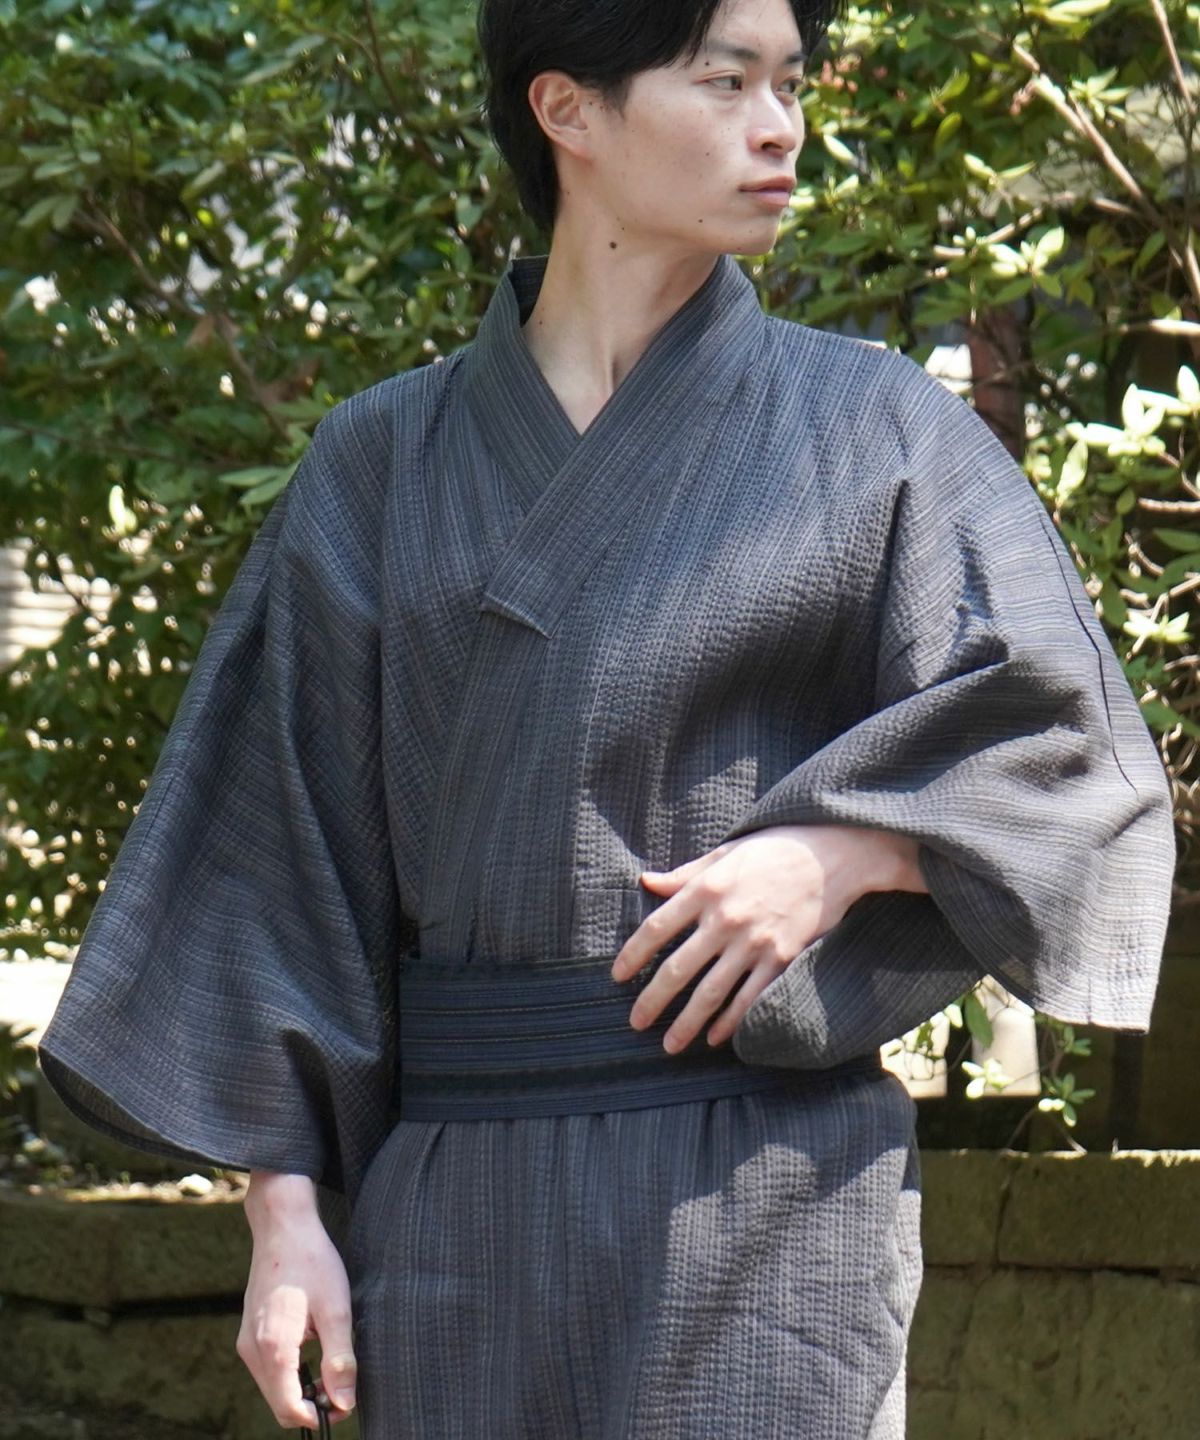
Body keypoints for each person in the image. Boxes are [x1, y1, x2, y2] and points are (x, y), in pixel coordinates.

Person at [37, 0, 1177, 1435]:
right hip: (455, 1212)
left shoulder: (878, 429)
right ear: (567, 109)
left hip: (766, 1198)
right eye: (726, 81)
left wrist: (847, 854)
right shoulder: (380, 463)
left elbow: (1067, 751)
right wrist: (283, 1215)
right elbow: (276, 859)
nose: (780, 127)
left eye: (792, 83)